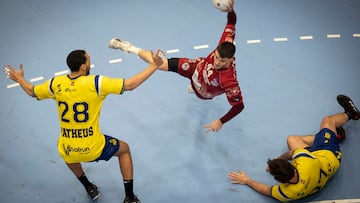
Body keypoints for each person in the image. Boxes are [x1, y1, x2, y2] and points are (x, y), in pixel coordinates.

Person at [3, 49, 164, 203]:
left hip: (69, 149)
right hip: (94, 147)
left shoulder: (55, 83)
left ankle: (89, 187)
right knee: (124, 150)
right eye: (89, 61)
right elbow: (129, 85)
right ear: (82, 66)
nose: (90, 64)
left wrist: (20, 79)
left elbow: (32, 91)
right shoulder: (96, 83)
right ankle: (130, 197)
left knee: (65, 149)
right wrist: (154, 65)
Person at [109, 0, 244, 133]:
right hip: (196, 67)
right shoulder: (226, 42)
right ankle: (129, 47)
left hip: (205, 89)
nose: (217, 62)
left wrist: (221, 121)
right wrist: (231, 10)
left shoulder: (229, 81)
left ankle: (194, 86)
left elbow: (239, 106)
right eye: (216, 57)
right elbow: (231, 22)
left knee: (197, 92)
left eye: (222, 61)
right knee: (158, 64)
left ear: (230, 60)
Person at [228, 94, 360, 201]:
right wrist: (278, 159)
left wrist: (247, 181)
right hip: (329, 155)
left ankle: (343, 124)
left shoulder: (287, 193)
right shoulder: (304, 161)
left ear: (279, 180)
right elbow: (291, 154)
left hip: (320, 170)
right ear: (292, 166)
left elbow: (267, 191)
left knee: (299, 136)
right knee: (326, 122)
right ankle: (346, 119)